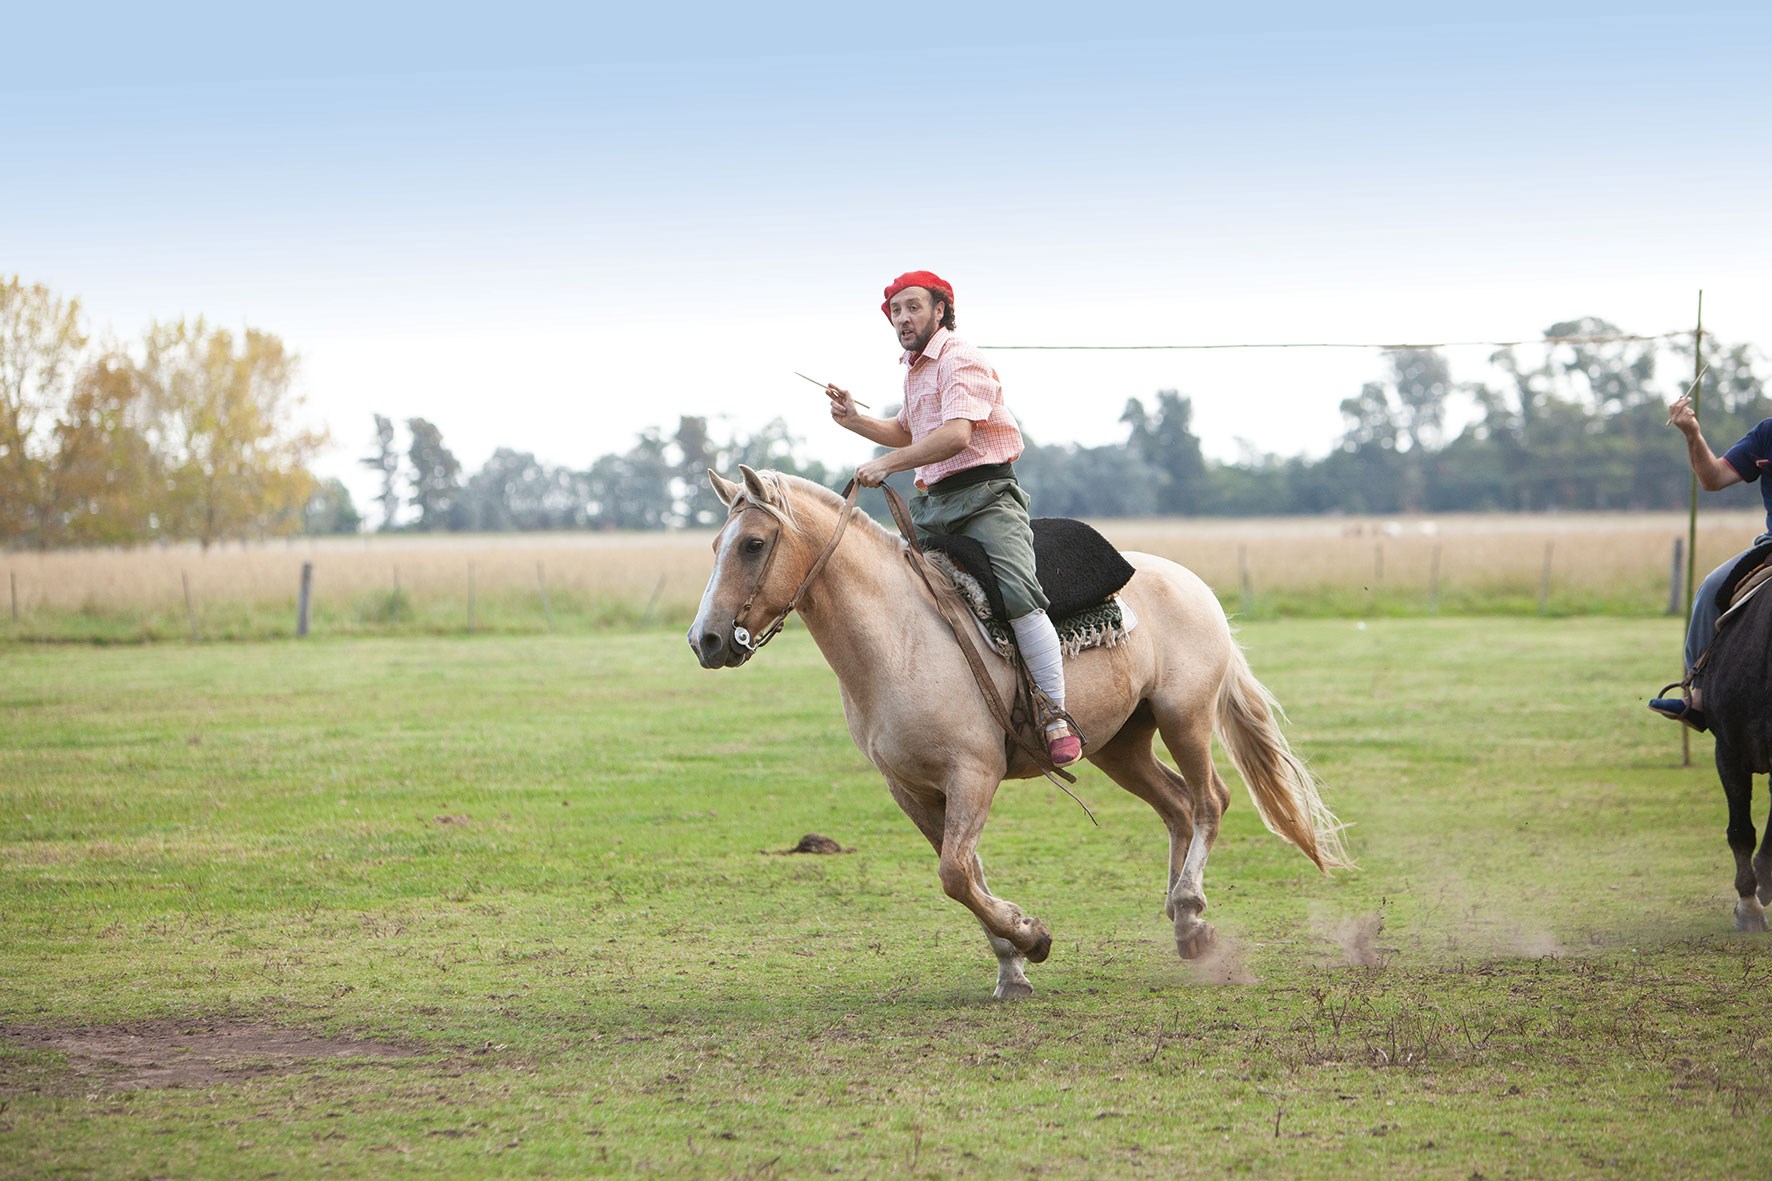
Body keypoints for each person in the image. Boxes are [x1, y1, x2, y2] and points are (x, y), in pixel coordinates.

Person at [825, 269, 1082, 767]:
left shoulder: (960, 358)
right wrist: (855, 420)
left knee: (1018, 595)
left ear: (940, 310)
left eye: (913, 307)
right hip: (936, 504)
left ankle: (1055, 715)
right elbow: (906, 430)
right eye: (895, 311)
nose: (902, 318)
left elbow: (957, 435)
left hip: (986, 496)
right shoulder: (914, 367)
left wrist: (885, 465)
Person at [1648, 393, 1772, 731]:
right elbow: (1713, 478)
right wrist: (1692, 433)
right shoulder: (1766, 433)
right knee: (1712, 586)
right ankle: (1697, 694)